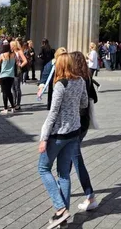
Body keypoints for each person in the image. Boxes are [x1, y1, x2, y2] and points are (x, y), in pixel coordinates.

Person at [38, 53, 88, 228]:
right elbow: (84, 104)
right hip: (74, 133)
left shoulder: (61, 84)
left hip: (58, 135)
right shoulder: (80, 81)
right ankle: (63, 218)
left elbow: (53, 113)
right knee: (64, 174)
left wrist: (44, 138)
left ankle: (60, 209)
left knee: (43, 168)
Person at [71, 51, 99, 211]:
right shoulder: (87, 77)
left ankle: (90, 196)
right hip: (84, 121)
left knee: (75, 158)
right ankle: (63, 188)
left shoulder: (77, 79)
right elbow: (94, 98)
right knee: (70, 157)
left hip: (77, 122)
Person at [0, 43, 16, 115]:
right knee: (9, 91)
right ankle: (13, 107)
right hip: (11, 75)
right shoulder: (13, 55)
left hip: (3, 75)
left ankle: (5, 108)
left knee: (4, 92)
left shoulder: (2, 55)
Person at [10, 40, 27, 110]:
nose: (10, 46)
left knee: (17, 88)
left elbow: (25, 61)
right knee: (13, 88)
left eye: (11, 45)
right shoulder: (11, 52)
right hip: (11, 71)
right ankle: (13, 103)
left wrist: (20, 65)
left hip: (17, 71)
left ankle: (18, 104)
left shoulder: (19, 52)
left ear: (14, 46)